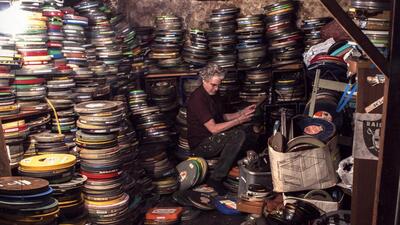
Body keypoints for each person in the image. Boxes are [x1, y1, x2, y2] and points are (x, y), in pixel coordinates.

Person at [187, 63, 256, 194]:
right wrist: (238, 120)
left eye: (219, 84)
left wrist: (241, 113)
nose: (217, 88)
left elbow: (222, 117)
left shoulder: (213, 94)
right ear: (204, 80)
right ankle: (215, 179)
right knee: (238, 134)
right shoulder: (197, 99)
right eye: (214, 85)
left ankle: (243, 168)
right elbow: (213, 128)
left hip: (213, 138)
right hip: (201, 144)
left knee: (247, 128)